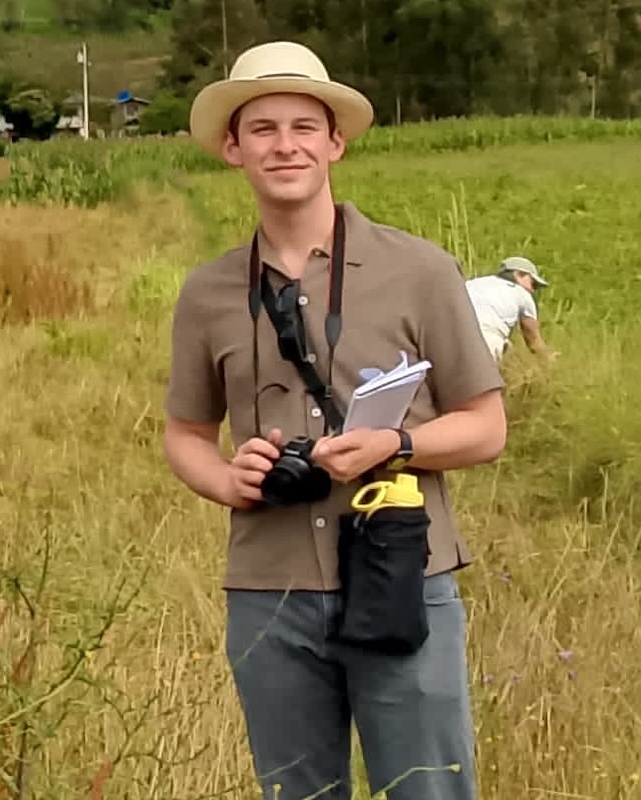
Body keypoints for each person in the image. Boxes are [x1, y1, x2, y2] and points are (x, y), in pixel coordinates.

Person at [161, 41, 509, 800]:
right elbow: (184, 432)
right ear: (233, 148)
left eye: (303, 127)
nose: (284, 145)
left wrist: (398, 443)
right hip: (268, 590)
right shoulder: (209, 292)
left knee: (428, 789)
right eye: (262, 129)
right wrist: (226, 477)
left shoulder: (419, 270)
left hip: (400, 576)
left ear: (334, 142)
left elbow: (486, 425)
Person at [466, 256, 556, 362]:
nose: (533, 290)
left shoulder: (473, 283)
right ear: (518, 275)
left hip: (448, 334)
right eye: (533, 284)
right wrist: (549, 358)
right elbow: (533, 342)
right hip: (485, 342)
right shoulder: (522, 294)